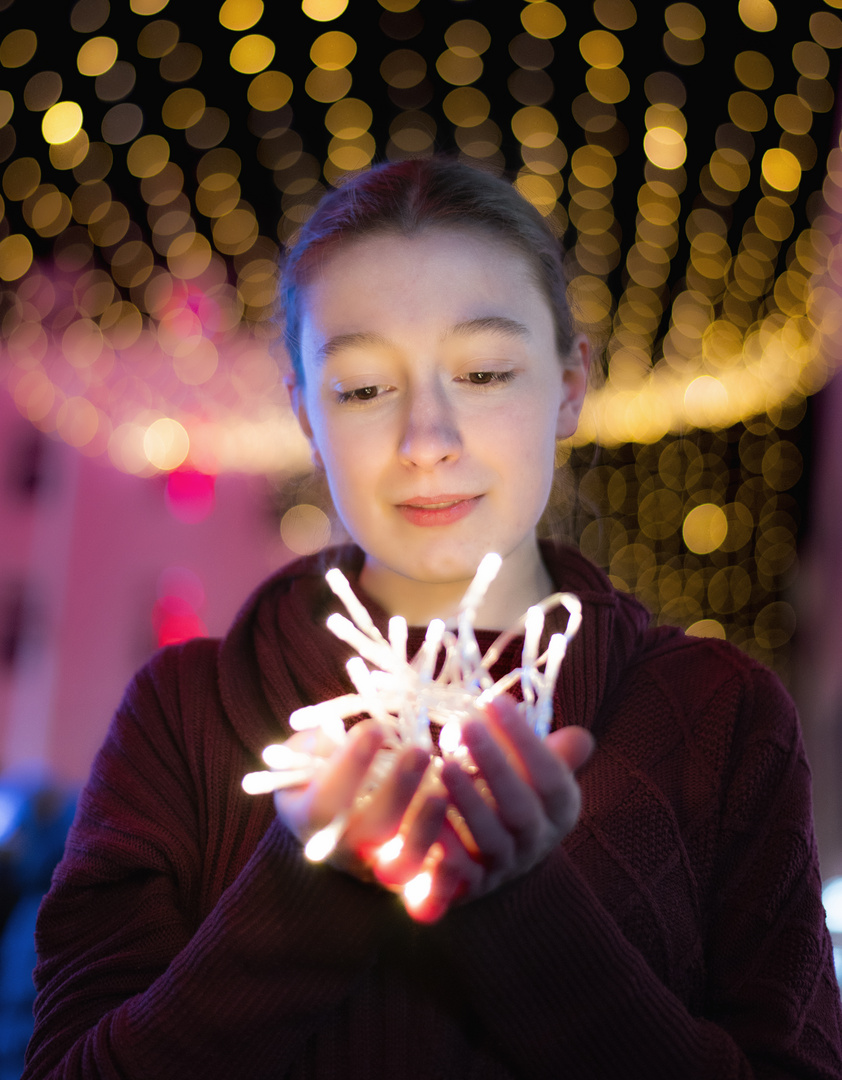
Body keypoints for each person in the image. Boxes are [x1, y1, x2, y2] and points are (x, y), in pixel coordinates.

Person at [23, 157, 842, 1079]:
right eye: (364, 389)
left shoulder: (719, 716)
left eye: (486, 371)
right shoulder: (185, 715)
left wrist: (526, 910)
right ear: (305, 412)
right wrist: (308, 888)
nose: (427, 441)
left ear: (571, 385)